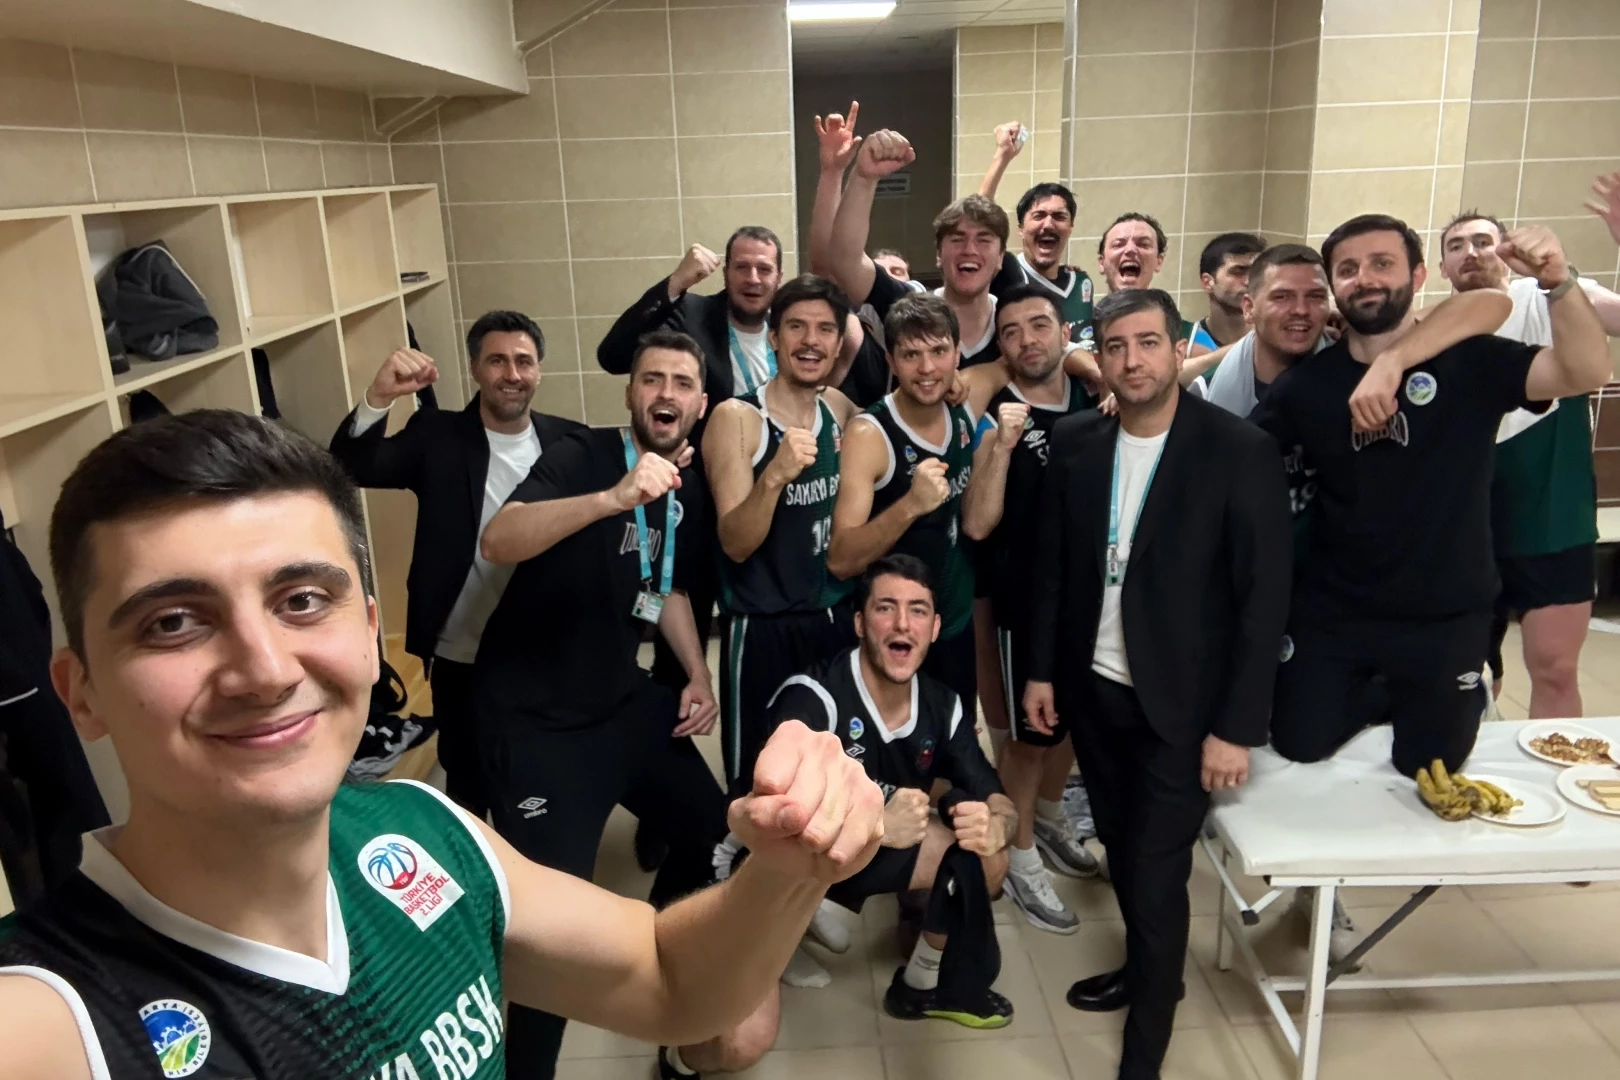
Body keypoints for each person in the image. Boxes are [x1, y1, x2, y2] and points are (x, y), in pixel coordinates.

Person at [0, 409, 886, 1080]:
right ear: (81, 693)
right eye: (174, 621)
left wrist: (787, 865)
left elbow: (669, 979)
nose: (263, 670)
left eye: (302, 601)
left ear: (369, 632)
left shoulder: (423, 831)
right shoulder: (52, 1019)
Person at [1024, 288, 1293, 1080]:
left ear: (1179, 351)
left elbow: (1262, 601)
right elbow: (1051, 571)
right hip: (1095, 689)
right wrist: (1039, 670)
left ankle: (1147, 1038)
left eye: (1148, 343)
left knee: (1156, 869)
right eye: (1115, 346)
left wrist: (1236, 727)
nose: (1132, 360)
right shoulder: (1076, 443)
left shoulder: (1237, 450)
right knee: (1121, 841)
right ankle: (1150, 971)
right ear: (1099, 359)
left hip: (1185, 704)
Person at [1252, 213, 1612, 781]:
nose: (1365, 278)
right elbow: (1239, 458)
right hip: (1337, 613)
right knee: (1300, 743)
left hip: (1446, 613)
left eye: (1382, 264)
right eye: (1348, 269)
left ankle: (1454, 686)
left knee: (1430, 764)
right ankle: (1387, 691)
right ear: (1335, 289)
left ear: (1418, 276)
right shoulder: (1305, 388)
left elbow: (1585, 369)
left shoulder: (1473, 361)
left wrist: (1558, 282)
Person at [475, 330, 732, 1076]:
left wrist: (697, 673)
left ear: (700, 404)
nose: (665, 394)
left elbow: (666, 587)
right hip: (539, 724)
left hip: (620, 702)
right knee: (550, 940)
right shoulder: (582, 455)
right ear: (631, 392)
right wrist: (614, 498)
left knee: (715, 834)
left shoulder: (687, 484)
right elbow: (500, 539)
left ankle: (659, 953)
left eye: (682, 383)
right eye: (652, 379)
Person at [665, 554, 1017, 1078]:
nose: (902, 624)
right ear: (859, 622)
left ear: (935, 627)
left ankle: (920, 986)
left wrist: (997, 826)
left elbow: (998, 800)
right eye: (886, 608)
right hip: (768, 870)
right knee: (742, 1044)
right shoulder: (813, 696)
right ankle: (677, 1055)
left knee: (988, 859)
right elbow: (778, 819)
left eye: (918, 610)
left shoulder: (942, 705)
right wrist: (880, 823)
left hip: (857, 856)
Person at [328, 310, 584, 816]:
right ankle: (473, 853)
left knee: (541, 768)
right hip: (461, 647)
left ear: (539, 370)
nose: (512, 374)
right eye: (497, 361)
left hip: (545, 646)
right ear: (474, 369)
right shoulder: (437, 435)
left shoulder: (569, 442)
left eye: (523, 361)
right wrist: (379, 397)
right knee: (467, 774)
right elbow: (348, 467)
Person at [1438, 196, 1620, 718]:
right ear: (1442, 268)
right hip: (1466, 526)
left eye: (1483, 240)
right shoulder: (1434, 327)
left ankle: (1552, 761)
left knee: (1555, 668)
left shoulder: (1552, 298)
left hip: (1551, 519)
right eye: (1456, 246)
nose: (1471, 252)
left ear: (1508, 251)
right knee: (1466, 673)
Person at [961, 284, 1102, 936]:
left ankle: (1047, 816)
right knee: (1027, 734)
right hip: (1022, 599)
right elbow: (978, 524)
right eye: (1011, 331)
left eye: (1039, 325)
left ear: (1065, 331)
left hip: (1091, 594)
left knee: (1074, 719)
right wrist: (999, 447)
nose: (1027, 340)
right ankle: (1019, 855)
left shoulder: (1095, 396)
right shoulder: (995, 414)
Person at [704, 274, 860, 795]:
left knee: (833, 772)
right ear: (773, 336)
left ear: (838, 343)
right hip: (763, 627)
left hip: (835, 620)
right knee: (760, 781)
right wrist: (774, 475)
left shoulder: (839, 410)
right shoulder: (738, 418)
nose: (810, 341)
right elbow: (735, 542)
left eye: (824, 329)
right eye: (796, 326)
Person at [829, 294, 981, 711]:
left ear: (957, 354)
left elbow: (1005, 367)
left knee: (955, 742)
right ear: (891, 362)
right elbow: (840, 559)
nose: (927, 368)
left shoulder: (962, 407)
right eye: (912, 355)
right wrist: (911, 504)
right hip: (893, 636)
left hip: (953, 625)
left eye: (939, 352)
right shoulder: (870, 435)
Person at [817, 128, 1009, 371]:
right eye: (957, 239)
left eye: (983, 240)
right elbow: (846, 261)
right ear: (938, 254)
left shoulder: (1014, 322)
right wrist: (864, 178)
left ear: (1000, 257)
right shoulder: (907, 308)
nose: (969, 249)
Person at [977, 122, 1097, 347]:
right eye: (1039, 215)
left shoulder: (1081, 283)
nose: (1048, 224)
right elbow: (979, 219)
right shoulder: (1008, 274)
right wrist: (1002, 155)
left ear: (1071, 227)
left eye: (1059, 216)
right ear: (1021, 228)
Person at [1189, 232, 1266, 355]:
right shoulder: (1186, 343)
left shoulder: (1276, 344)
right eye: (1238, 271)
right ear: (1208, 282)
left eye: (1256, 272)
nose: (1248, 281)